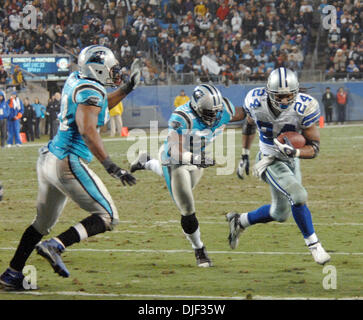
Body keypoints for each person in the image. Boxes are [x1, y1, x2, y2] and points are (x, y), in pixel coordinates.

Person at [0, 45, 141, 290]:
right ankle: (56, 245)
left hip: (49, 158)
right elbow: (87, 129)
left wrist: (126, 89)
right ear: (97, 69)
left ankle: (11, 275)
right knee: (108, 216)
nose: (115, 72)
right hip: (67, 161)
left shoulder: (78, 79)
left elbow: (99, 105)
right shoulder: (91, 90)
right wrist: (111, 166)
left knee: (40, 225)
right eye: (111, 69)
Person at [129, 83, 246, 267]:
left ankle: (147, 162)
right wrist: (196, 158)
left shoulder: (224, 109)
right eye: (210, 112)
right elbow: (176, 151)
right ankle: (199, 249)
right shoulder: (182, 117)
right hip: (175, 160)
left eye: (217, 111)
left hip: (197, 160)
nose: (215, 116)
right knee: (187, 206)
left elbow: (243, 112)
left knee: (184, 191)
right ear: (198, 108)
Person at [226, 67, 331, 266]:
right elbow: (248, 124)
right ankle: (315, 246)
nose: (284, 101)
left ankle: (240, 221)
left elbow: (314, 148)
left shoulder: (304, 107)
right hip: (269, 159)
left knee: (280, 213)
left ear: (296, 92)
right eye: (279, 96)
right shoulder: (256, 102)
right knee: (299, 196)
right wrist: (245, 155)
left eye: (289, 95)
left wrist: (296, 152)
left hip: (291, 159)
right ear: (269, 92)